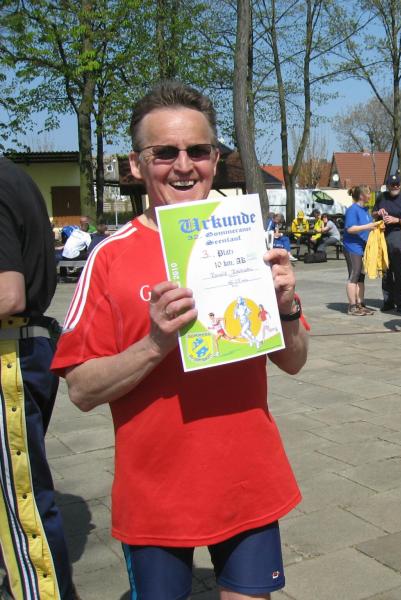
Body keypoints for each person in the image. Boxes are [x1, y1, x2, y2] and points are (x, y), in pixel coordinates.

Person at [51, 81, 308, 600]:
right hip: (157, 493)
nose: (184, 165)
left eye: (198, 150)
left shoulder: (245, 241)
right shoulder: (110, 257)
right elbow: (81, 390)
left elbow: (295, 361)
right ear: (137, 164)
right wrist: (154, 344)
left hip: (247, 479)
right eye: (164, 152)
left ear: (215, 159)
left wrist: (286, 307)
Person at [0, 158, 76, 599]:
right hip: (26, 347)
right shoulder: (14, 176)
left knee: (20, 511)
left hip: (9, 352)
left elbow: (7, 293)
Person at [373, 173, 401, 312]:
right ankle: (388, 301)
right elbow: (373, 214)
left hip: (398, 234)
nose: (395, 187)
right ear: (388, 186)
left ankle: (400, 303)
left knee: (398, 270)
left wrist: (397, 220)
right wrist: (378, 213)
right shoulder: (381, 197)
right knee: (385, 270)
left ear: (400, 185)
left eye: (397, 184)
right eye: (392, 184)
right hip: (382, 235)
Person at [342, 185, 379, 316]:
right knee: (354, 274)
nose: (370, 195)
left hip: (363, 247)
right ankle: (352, 306)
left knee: (361, 276)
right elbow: (350, 229)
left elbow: (367, 226)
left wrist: (376, 225)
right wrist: (368, 226)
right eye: (368, 193)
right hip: (352, 247)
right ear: (362, 196)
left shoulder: (365, 210)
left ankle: (360, 304)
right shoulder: (353, 210)